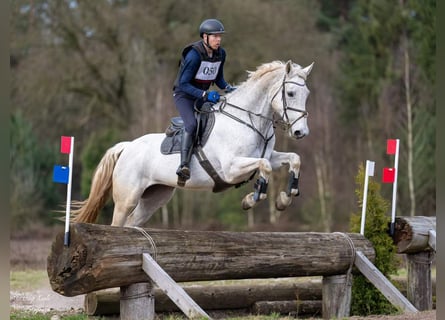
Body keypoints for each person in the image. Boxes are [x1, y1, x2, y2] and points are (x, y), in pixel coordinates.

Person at [172, 18, 236, 184]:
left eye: (220, 36)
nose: (218, 39)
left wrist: (229, 89)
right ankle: (184, 165)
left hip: (202, 95)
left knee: (221, 115)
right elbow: (183, 84)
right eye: (215, 36)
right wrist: (204, 95)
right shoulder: (193, 55)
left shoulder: (221, 54)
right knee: (192, 125)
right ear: (204, 37)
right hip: (184, 95)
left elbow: (219, 79)